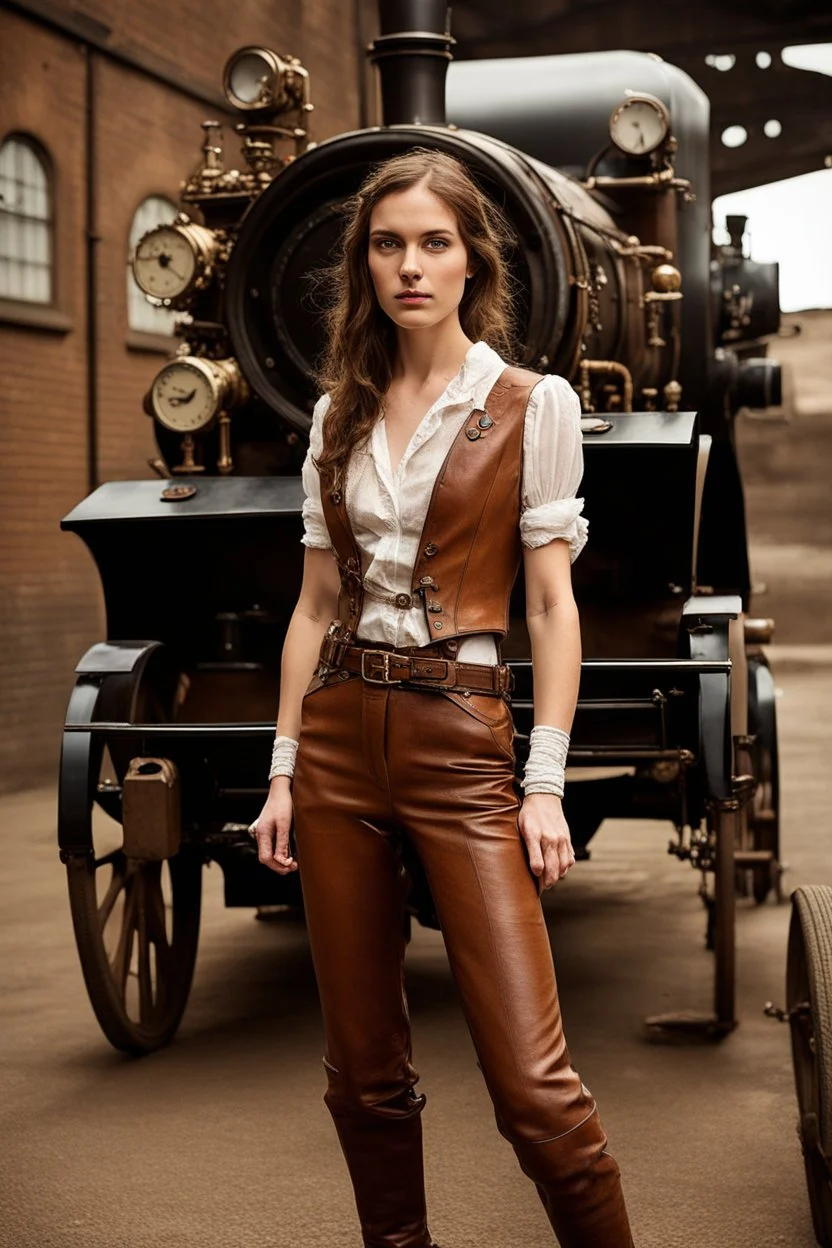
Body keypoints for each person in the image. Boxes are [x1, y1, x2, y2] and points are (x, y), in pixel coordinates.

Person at [249, 147, 634, 1248]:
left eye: (433, 243)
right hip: (332, 744)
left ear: (472, 261)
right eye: (386, 244)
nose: (409, 266)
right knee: (362, 1076)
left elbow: (552, 610)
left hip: (461, 735)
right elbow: (315, 607)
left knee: (534, 1087)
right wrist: (281, 770)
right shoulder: (335, 415)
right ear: (362, 263)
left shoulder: (530, 405)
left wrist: (544, 783)